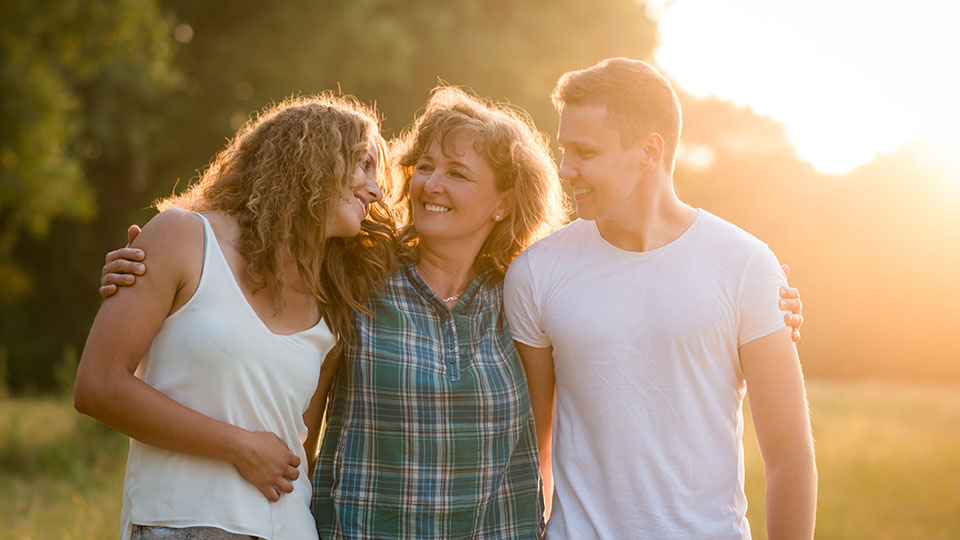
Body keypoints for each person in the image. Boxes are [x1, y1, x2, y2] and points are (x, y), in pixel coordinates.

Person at [98, 87, 806, 539]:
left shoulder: (527, 289)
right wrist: (146, 256)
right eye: (423, 168)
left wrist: (764, 303)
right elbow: (249, 264)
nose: (429, 185)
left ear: (503, 201)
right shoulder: (354, 271)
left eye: (457, 173)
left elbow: (561, 406)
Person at [503, 57, 816, 539]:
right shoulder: (536, 273)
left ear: (649, 150)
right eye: (564, 149)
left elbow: (789, 452)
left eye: (584, 152)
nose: (565, 170)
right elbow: (531, 450)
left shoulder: (746, 265)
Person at [74, 93, 397, 540]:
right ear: (313, 161)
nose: (376, 189)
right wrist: (239, 447)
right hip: (180, 522)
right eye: (363, 164)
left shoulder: (334, 303)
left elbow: (299, 447)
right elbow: (98, 387)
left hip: (290, 529)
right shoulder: (181, 237)